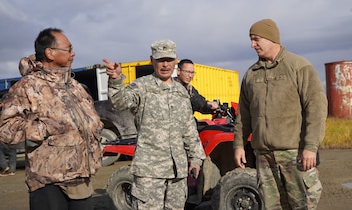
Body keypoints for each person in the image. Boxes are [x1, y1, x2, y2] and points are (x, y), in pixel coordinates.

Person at [0, 28, 104, 210]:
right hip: (48, 181)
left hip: (81, 178)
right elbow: (6, 129)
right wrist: (44, 129)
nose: (73, 53)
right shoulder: (28, 86)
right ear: (50, 53)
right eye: (68, 49)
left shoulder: (74, 85)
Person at [233, 19, 328, 210]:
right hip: (264, 156)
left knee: (302, 204)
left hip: (294, 154)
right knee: (271, 206)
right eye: (251, 40)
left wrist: (311, 146)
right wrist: (239, 145)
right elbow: (244, 114)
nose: (253, 45)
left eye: (256, 39)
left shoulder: (298, 66)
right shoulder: (252, 74)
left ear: (271, 38)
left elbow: (316, 108)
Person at [103, 39, 206, 209]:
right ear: (152, 60)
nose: (165, 64)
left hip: (177, 172)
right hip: (149, 172)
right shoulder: (141, 86)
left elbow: (189, 127)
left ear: (176, 60)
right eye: (160, 60)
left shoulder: (181, 91)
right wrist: (116, 80)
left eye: (169, 60)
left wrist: (196, 158)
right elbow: (119, 102)